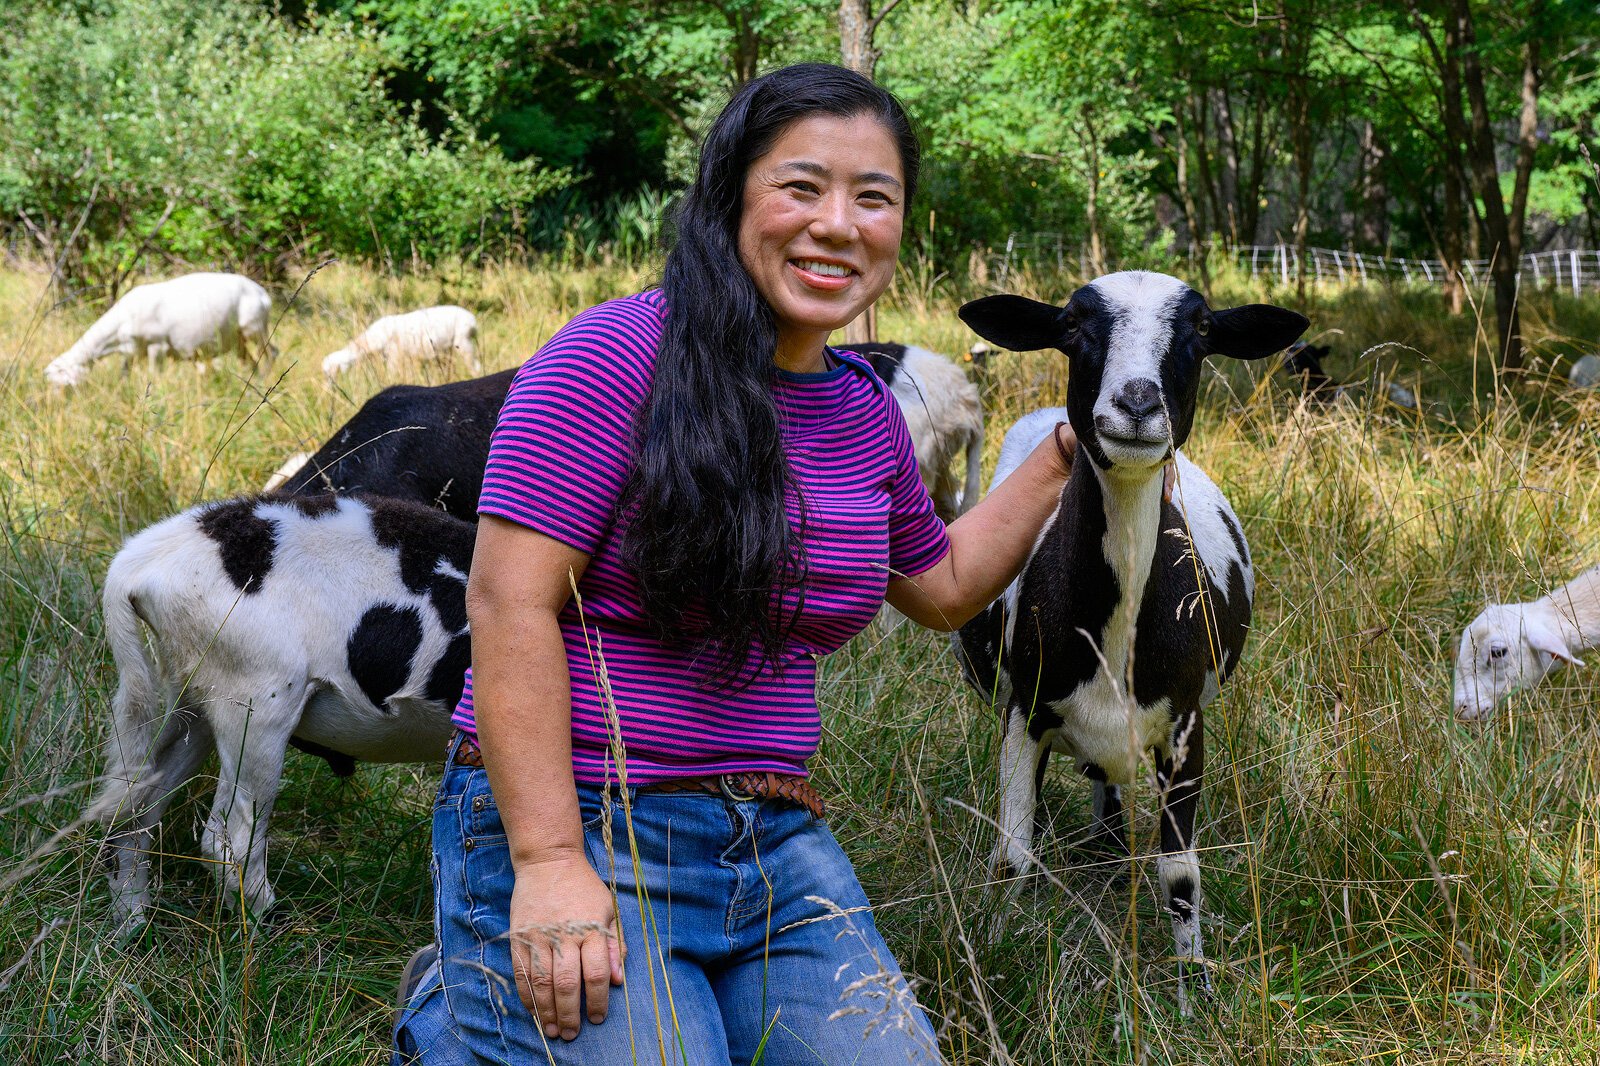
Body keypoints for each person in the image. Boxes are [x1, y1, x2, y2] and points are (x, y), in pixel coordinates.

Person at [393, 62, 1078, 1065]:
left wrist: (1069, 454)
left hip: (772, 838)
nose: (838, 224)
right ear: (730, 196)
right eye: (801, 187)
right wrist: (545, 862)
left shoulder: (859, 411)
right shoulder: (612, 356)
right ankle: (451, 1017)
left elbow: (938, 588)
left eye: (872, 198)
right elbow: (507, 605)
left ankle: (479, 1006)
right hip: (579, 817)